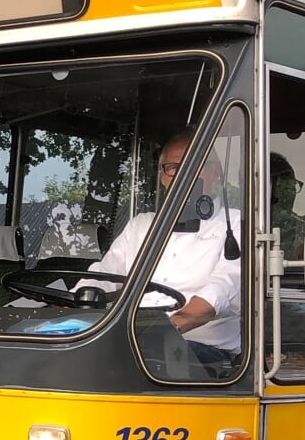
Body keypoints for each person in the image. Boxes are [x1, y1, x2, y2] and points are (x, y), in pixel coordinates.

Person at [87, 131, 242, 369]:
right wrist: (71, 305)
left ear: (216, 172)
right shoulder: (140, 225)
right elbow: (105, 274)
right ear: (162, 176)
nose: (183, 174)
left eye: (196, 164)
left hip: (207, 354)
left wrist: (165, 330)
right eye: (173, 167)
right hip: (131, 342)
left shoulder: (235, 225)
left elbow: (224, 286)